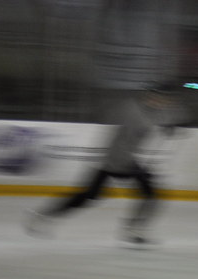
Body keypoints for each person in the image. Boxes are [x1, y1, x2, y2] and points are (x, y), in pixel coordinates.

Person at [24, 82, 189, 246]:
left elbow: (168, 118)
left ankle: (43, 216)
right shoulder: (133, 111)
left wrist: (173, 126)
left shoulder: (153, 111)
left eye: (166, 100)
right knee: (149, 193)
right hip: (117, 160)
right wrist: (127, 164)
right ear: (151, 96)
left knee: (89, 195)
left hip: (121, 160)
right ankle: (133, 229)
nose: (163, 103)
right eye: (160, 98)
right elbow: (124, 136)